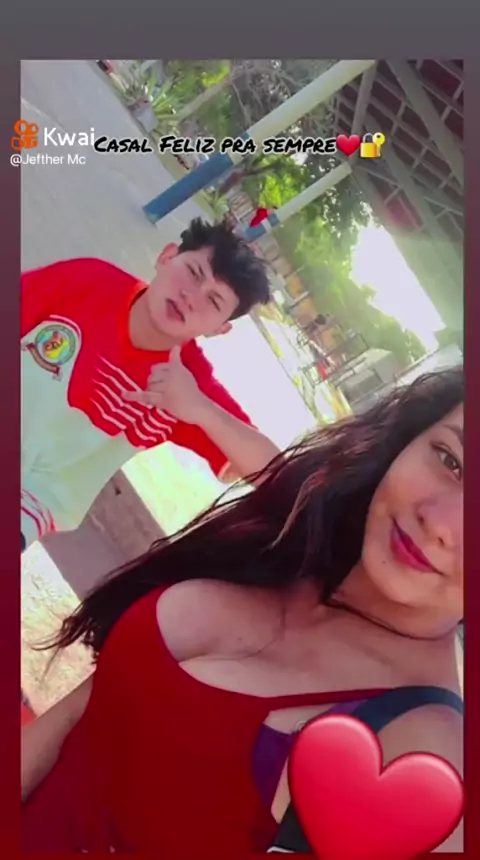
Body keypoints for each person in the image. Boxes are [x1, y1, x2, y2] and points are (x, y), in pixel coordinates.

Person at [21, 369, 464, 854]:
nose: (441, 524)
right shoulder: (296, 539)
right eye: (450, 459)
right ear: (411, 437)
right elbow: (76, 718)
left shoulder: (426, 757)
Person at [21, 218, 280, 551]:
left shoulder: (188, 385)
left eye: (214, 301)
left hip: (29, 499)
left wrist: (199, 409)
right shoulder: (89, 281)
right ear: (167, 256)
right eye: (194, 272)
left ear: (219, 330)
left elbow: (278, 475)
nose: (191, 297)